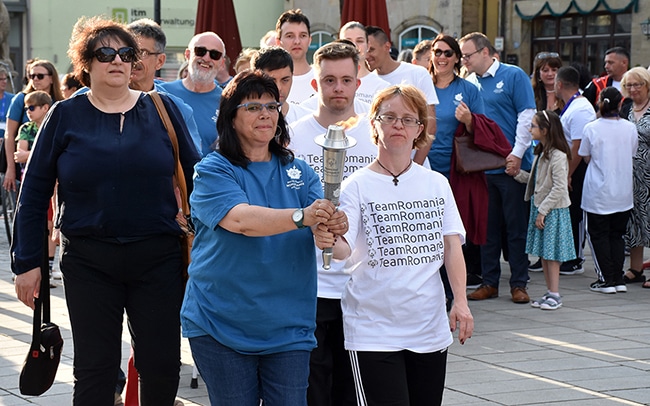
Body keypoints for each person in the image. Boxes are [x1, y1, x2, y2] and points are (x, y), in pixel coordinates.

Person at [12, 16, 200, 405]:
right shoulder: (64, 116)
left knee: (162, 366)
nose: (117, 60)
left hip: (158, 258)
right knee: (95, 372)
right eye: (105, 53)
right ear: (86, 64)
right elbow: (32, 195)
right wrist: (28, 262)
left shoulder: (162, 109)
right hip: (89, 261)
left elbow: (200, 182)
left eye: (126, 53)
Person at [180, 70, 347, 406]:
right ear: (231, 117)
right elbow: (241, 220)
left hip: (289, 327)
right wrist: (303, 217)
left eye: (272, 106)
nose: (266, 114)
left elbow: (340, 250)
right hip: (221, 323)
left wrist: (334, 229)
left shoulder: (300, 171)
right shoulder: (214, 169)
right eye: (253, 107)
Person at [314, 84, 473, 405]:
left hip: (429, 329)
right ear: (374, 124)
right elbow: (344, 250)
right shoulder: (355, 186)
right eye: (389, 117)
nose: (398, 125)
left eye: (408, 119)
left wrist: (461, 301)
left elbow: (452, 247)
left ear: (420, 129)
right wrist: (328, 239)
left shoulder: (436, 183)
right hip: (374, 332)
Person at [289, 40, 375, 406]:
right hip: (309, 284)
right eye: (329, 80)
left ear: (358, 83)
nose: (337, 88)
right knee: (313, 386)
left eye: (345, 80)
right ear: (314, 84)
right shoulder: (292, 136)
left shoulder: (377, 135)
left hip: (363, 284)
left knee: (353, 389)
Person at [459, 32, 535, 304]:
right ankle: (490, 282)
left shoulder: (513, 75)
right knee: (486, 228)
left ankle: (519, 283)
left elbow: (526, 116)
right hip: (482, 168)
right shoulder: (468, 83)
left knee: (515, 229)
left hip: (510, 167)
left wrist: (516, 154)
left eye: (467, 55)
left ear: (484, 52)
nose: (463, 60)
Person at [426, 34, 485, 290]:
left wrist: (470, 120)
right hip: (424, 167)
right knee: (427, 229)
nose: (441, 57)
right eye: (437, 52)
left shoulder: (468, 90)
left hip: (457, 171)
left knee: (451, 231)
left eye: (447, 53)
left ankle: (452, 289)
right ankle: (429, 285)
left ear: (457, 58)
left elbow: (485, 131)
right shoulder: (422, 86)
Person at [513, 110, 573, 309]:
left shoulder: (558, 155)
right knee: (544, 254)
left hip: (552, 210)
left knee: (552, 255)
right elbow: (536, 180)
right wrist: (517, 174)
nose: (530, 129)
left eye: (533, 126)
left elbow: (559, 187)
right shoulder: (541, 152)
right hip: (541, 207)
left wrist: (543, 210)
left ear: (545, 130)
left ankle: (555, 294)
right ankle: (549, 292)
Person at [579, 87, 636, 294]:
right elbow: (632, 152)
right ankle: (617, 277)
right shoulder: (630, 128)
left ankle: (606, 279)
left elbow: (585, 155)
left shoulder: (592, 128)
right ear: (621, 104)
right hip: (623, 191)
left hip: (598, 192)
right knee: (617, 235)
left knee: (598, 235)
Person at [365, 26, 438, 164]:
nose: (367, 55)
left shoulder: (417, 74)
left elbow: (430, 125)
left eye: (371, 50)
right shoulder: (364, 81)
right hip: (378, 167)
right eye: (364, 51)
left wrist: (415, 165)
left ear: (387, 47)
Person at [127, 18, 201, 154]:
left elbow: (192, 162)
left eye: (143, 53)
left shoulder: (176, 109)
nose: (134, 59)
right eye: (129, 51)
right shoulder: (92, 100)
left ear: (160, 61)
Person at [554, 66, 596, 275]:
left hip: (576, 167)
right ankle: (568, 255)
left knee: (575, 213)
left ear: (560, 84)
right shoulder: (573, 106)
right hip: (569, 165)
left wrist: (568, 173)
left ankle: (576, 258)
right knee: (568, 212)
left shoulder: (580, 108)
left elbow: (578, 146)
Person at [159, 31, 224, 156]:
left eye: (214, 54)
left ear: (221, 63)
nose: (206, 58)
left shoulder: (228, 101)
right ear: (187, 55)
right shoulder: (162, 93)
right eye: (200, 51)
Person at [4, 60, 63, 192]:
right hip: (28, 168)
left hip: (56, 169)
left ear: (52, 78)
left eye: (40, 76)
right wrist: (11, 169)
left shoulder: (59, 102)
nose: (35, 79)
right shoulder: (21, 99)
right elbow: (9, 134)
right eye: (31, 76)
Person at [619, 67, 650, 287]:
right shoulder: (626, 107)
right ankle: (635, 269)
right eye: (629, 85)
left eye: (637, 84)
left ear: (647, 85)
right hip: (629, 174)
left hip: (648, 174)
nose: (633, 89)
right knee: (633, 223)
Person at [250, 46, 312, 124]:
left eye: (285, 80)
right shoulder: (243, 121)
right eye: (271, 81)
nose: (278, 87)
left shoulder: (307, 119)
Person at [338, 21, 390, 105]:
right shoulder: (329, 83)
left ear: (368, 45)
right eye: (348, 41)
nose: (354, 45)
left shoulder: (382, 87)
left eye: (359, 41)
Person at [276, 9, 315, 104]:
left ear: (309, 40)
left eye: (302, 35)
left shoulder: (323, 78)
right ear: (278, 42)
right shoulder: (272, 82)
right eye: (290, 36)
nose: (297, 41)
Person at [13, 90, 51, 171]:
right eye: (26, 108)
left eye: (31, 108)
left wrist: (29, 154)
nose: (28, 111)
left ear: (45, 108)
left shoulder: (55, 127)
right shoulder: (26, 128)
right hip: (29, 173)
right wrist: (45, 154)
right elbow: (20, 157)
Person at [0, 66, 15, 138]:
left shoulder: (13, 99)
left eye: (5, 79)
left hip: (8, 140)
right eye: (0, 79)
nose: (4, 82)